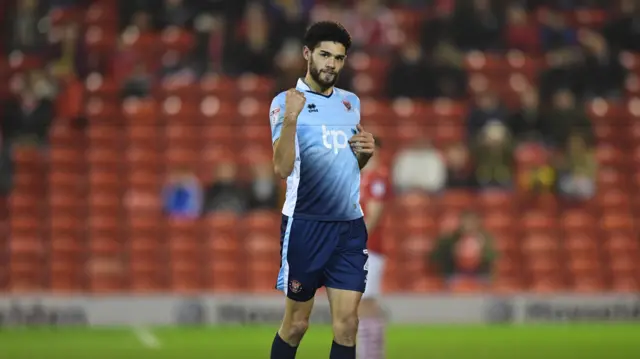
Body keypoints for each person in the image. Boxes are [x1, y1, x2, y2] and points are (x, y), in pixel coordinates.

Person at [269, 21, 376, 359]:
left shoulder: (350, 103)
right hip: (306, 225)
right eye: (325, 55)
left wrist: (364, 156)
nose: (331, 64)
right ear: (307, 54)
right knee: (297, 325)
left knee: (347, 325)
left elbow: (346, 166)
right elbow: (282, 169)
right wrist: (290, 120)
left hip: (348, 226)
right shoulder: (286, 103)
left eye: (339, 58)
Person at [357, 138, 390, 359]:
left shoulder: (378, 178)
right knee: (361, 303)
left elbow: (375, 213)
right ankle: (370, 353)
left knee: (366, 303)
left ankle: (371, 354)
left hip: (369, 249)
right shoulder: (361, 178)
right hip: (361, 250)